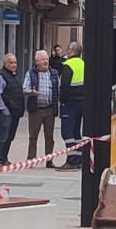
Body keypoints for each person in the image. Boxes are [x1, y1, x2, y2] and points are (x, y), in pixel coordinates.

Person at [26, 50, 61, 168]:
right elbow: (24, 88)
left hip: (50, 109)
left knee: (49, 137)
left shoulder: (54, 73)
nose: (46, 61)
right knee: (33, 136)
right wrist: (31, 92)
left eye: (46, 59)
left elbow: (58, 89)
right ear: (37, 62)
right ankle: (31, 160)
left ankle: (49, 160)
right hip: (36, 109)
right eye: (43, 59)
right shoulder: (30, 73)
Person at [0, 53, 25, 168]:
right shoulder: (0, 76)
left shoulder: (13, 76)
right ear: (5, 63)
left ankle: (4, 158)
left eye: (15, 62)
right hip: (5, 113)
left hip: (14, 112)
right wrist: (4, 110)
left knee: (10, 137)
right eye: (11, 62)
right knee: (3, 136)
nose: (14, 65)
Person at [57, 41, 85, 170]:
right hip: (82, 102)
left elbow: (65, 85)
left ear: (72, 51)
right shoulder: (84, 64)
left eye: (68, 49)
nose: (67, 52)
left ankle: (72, 160)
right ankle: (79, 159)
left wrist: (62, 101)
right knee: (76, 132)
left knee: (67, 132)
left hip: (70, 103)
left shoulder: (68, 64)